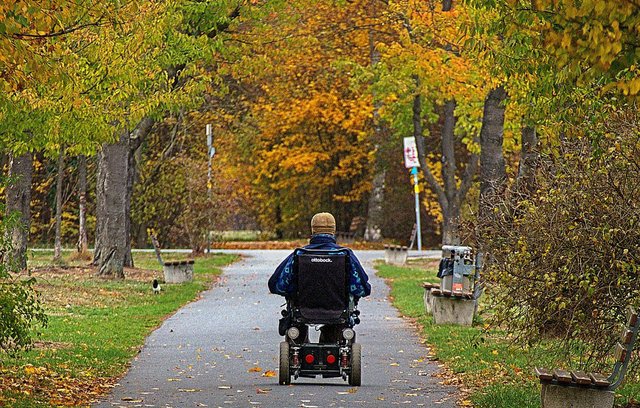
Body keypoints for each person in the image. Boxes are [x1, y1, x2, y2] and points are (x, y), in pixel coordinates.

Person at [268, 212, 371, 342]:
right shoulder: (345, 255)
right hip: (337, 311)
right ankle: (330, 341)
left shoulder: (299, 255)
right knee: (338, 327)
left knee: (295, 324)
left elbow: (276, 284)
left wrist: (294, 289)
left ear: (313, 230)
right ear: (333, 231)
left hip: (302, 310)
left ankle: (300, 345)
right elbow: (362, 289)